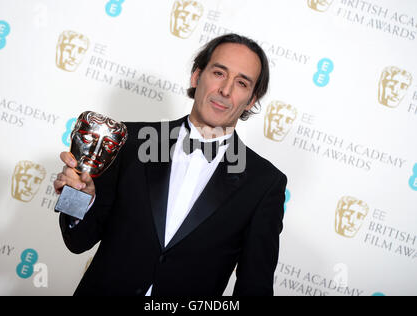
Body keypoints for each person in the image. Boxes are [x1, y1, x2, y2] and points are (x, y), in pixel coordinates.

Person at [54, 33, 287, 296]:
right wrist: (77, 197)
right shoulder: (130, 143)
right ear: (196, 76)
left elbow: (254, 287)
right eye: (219, 73)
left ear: (252, 100)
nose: (226, 90)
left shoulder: (264, 183)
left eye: (242, 83)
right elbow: (77, 240)